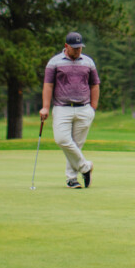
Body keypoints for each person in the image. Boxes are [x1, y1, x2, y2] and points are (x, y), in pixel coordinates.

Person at [40, 32, 100, 189]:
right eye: (74, 48)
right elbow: (48, 85)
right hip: (62, 108)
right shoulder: (54, 62)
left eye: (79, 48)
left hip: (84, 108)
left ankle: (72, 179)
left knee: (76, 145)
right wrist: (45, 107)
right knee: (62, 140)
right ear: (66, 46)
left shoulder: (88, 62)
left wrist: (93, 107)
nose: (77, 51)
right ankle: (85, 167)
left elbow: (94, 84)